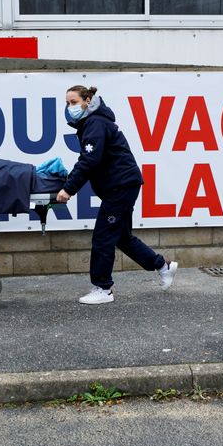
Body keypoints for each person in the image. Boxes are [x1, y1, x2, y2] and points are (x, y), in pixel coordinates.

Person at [56, 85, 178, 305]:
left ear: (87, 101)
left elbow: (89, 161)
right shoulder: (92, 122)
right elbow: (91, 161)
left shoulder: (94, 123)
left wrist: (68, 189)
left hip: (120, 186)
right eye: (67, 103)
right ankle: (163, 265)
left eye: (73, 102)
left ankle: (103, 288)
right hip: (122, 184)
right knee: (121, 237)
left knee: (103, 236)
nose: (69, 107)